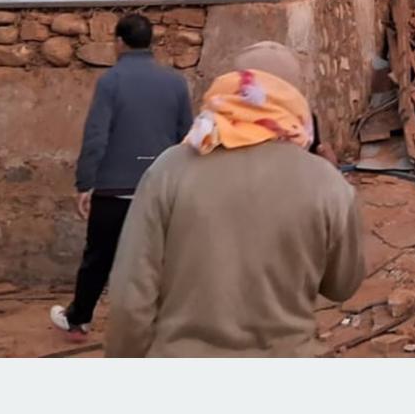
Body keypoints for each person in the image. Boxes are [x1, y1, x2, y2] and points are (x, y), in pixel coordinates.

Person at [104, 41, 366, 357]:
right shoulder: (328, 184)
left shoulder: (169, 170)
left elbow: (130, 295)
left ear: (230, 90)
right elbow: (342, 285)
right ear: (295, 100)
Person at [50, 12, 193, 339]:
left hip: (114, 190)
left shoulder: (110, 82)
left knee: (98, 256)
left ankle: (79, 319)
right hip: (160, 188)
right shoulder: (175, 82)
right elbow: (187, 136)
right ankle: (164, 324)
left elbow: (97, 136)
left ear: (119, 43)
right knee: (160, 260)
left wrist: (85, 183)